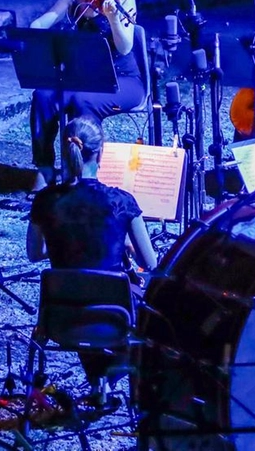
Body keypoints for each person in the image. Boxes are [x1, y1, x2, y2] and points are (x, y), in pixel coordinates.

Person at [26, 116, 158, 396]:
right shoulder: (121, 202)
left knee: (85, 288)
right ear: (102, 151)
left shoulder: (44, 200)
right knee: (157, 311)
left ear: (64, 150)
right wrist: (119, 245)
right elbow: (152, 265)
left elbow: (34, 254)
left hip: (60, 316)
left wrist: (65, 241)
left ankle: (99, 380)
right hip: (113, 315)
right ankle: (109, 378)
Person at [28, 0, 144, 191]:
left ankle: (85, 174)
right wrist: (35, 28)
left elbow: (125, 47)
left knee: (82, 100)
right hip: (85, 78)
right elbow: (47, 19)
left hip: (122, 80)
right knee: (43, 95)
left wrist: (114, 18)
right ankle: (45, 170)